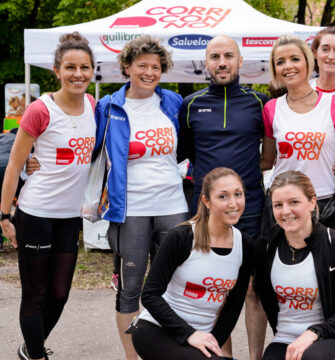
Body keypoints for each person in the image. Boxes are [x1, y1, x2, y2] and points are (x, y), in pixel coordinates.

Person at [0, 32, 96, 360]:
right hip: (36, 213)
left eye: (84, 67)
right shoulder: (40, 110)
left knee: (59, 294)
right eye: (70, 67)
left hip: (69, 217)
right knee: (35, 294)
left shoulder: (94, 106)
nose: (78, 74)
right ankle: (38, 356)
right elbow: (14, 166)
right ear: (56, 71)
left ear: (93, 70)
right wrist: (4, 216)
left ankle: (31, 348)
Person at [94, 35, 189, 360]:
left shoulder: (173, 102)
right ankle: (132, 356)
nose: (149, 72)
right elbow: (86, 149)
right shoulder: (108, 107)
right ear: (127, 67)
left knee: (174, 287)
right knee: (130, 287)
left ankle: (171, 351)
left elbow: (190, 146)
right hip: (129, 210)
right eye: (142, 65)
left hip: (172, 207)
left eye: (156, 67)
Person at [177, 35, 269, 359]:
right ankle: (222, 356)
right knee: (216, 287)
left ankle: (256, 356)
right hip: (207, 209)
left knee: (254, 289)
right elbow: (184, 153)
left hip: (251, 205)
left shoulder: (259, 103)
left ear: (241, 60)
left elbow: (270, 153)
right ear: (206, 62)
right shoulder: (190, 106)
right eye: (215, 56)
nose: (222, 62)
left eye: (229, 55)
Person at [130, 167, 252, 360]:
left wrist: (213, 344)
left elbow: (233, 306)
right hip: (157, 330)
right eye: (222, 196)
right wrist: (189, 334)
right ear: (206, 201)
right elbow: (150, 296)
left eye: (238, 194)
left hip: (201, 339)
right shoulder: (182, 237)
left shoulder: (245, 245)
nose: (233, 203)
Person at [255, 170, 335, 360]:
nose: (285, 211)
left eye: (294, 202)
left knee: (311, 357)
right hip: (284, 339)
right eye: (278, 205)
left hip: (331, 337)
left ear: (312, 202)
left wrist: (313, 332)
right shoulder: (265, 245)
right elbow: (257, 299)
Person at [261, 35, 335, 230]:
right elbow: (266, 161)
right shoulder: (271, 108)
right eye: (280, 62)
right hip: (283, 203)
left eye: (295, 59)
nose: (288, 66)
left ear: (308, 62)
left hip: (324, 202)